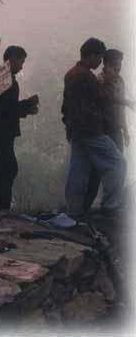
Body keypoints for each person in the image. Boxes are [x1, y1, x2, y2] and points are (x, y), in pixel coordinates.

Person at [62, 38, 126, 219]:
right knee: (117, 163)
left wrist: (68, 124)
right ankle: (110, 204)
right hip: (90, 129)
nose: (100, 63)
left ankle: (74, 210)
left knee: (79, 170)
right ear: (91, 55)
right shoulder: (85, 76)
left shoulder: (71, 73)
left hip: (76, 129)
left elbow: (66, 105)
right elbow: (104, 98)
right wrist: (109, 80)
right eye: (99, 58)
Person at [0, 45, 39, 214]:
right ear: (12, 59)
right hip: (2, 132)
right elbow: (7, 110)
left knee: (4, 168)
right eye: (21, 61)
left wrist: (25, 106)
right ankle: (1, 208)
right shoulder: (7, 80)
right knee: (7, 169)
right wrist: (27, 105)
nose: (22, 66)